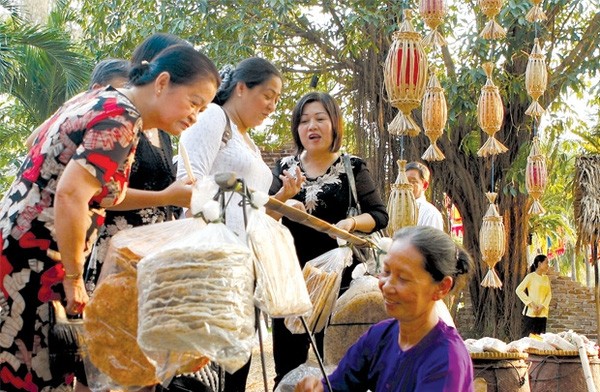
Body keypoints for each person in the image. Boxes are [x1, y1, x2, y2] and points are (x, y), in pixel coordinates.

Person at [0, 43, 220, 391]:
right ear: (162, 82)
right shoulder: (122, 116)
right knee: (34, 373)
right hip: (36, 258)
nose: (195, 116)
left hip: (20, 245)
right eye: (194, 102)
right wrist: (73, 278)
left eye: (203, 109)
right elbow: (71, 194)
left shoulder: (103, 99)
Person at [177, 57, 300, 392]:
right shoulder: (216, 118)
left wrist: (285, 197)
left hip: (244, 267)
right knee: (205, 369)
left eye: (277, 99)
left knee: (236, 364)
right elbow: (188, 182)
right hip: (212, 265)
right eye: (268, 95)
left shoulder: (250, 144)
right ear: (241, 87)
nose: (273, 106)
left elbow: (255, 217)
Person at [269, 91, 388, 388]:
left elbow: (379, 214)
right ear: (297, 128)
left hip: (339, 284)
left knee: (338, 366)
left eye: (320, 118)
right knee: (287, 366)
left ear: (334, 124)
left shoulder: (352, 166)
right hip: (290, 282)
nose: (312, 126)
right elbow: (264, 215)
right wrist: (283, 198)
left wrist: (350, 223)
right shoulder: (285, 168)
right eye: (304, 120)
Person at [294, 226, 475, 392]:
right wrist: (319, 388)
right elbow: (339, 385)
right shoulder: (379, 336)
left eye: (403, 278)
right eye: (386, 272)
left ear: (441, 287)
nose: (386, 286)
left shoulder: (447, 359)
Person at [85, 33, 190, 295]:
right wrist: (164, 196)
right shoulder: (121, 116)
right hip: (117, 247)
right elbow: (99, 192)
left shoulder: (162, 130)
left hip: (151, 251)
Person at [25, 58, 131, 149]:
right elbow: (32, 142)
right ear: (97, 89)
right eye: (122, 91)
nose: (128, 99)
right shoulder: (77, 110)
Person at [516, 254, 552, 337]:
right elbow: (519, 290)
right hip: (531, 313)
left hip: (542, 314)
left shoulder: (546, 278)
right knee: (527, 340)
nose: (548, 265)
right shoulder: (530, 277)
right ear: (539, 264)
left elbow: (549, 294)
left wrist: (542, 306)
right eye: (546, 263)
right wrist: (531, 303)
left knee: (540, 341)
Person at [406, 161, 444, 231]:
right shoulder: (394, 209)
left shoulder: (430, 213)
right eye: (404, 181)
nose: (406, 185)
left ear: (425, 185)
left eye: (412, 181)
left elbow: (431, 241)